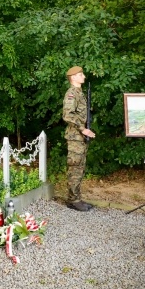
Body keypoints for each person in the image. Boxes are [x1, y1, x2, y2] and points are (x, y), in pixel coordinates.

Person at [63, 66, 96, 212]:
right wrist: (83, 129)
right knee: (75, 168)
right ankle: (74, 200)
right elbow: (67, 115)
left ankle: (75, 198)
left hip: (80, 137)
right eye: (81, 74)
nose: (84, 76)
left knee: (79, 168)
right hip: (75, 137)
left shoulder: (80, 93)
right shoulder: (72, 94)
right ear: (73, 77)